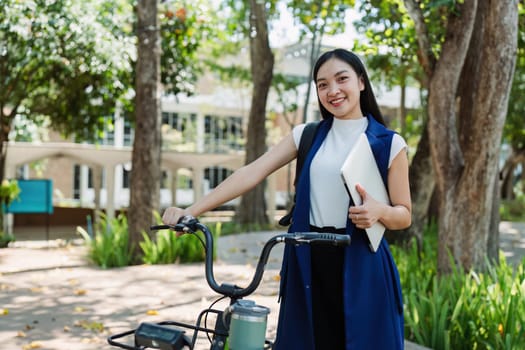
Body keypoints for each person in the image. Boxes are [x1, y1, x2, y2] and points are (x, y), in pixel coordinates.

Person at [162, 48, 411, 350]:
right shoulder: (306, 135)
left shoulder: (389, 143)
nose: (332, 90)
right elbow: (252, 173)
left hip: (362, 266)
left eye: (341, 79)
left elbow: (403, 215)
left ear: (361, 82)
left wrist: (379, 211)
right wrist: (190, 211)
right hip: (306, 260)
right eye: (322, 84)